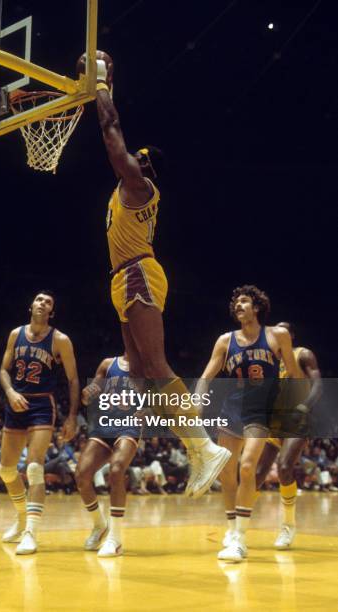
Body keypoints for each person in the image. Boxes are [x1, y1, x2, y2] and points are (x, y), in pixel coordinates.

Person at [91, 51, 230, 498]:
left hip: (137, 274)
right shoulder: (125, 192)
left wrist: (101, 87)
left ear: (147, 170)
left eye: (140, 157)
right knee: (139, 373)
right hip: (123, 278)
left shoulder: (139, 186)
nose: (133, 157)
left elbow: (112, 135)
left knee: (155, 364)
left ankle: (203, 446)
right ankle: (185, 444)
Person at [196, 285, 299, 562]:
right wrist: (198, 398)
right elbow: (207, 375)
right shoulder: (224, 341)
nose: (238, 306)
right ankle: (232, 530)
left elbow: (295, 373)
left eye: (244, 301)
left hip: (261, 412)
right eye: (236, 303)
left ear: (257, 306)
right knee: (226, 473)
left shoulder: (277, 336)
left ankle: (240, 538)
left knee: (247, 465)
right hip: (233, 409)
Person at [0, 290, 79, 555]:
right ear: (31, 305)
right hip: (16, 404)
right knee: (7, 471)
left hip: (42, 405)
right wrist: (10, 392)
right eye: (39, 299)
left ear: (51, 312)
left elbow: (73, 379)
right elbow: (3, 371)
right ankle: (21, 519)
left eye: (48, 302)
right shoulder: (14, 334)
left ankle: (32, 532)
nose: (43, 304)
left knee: (34, 467)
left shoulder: (60, 340)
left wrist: (71, 417)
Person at [255, 322, 322, 549]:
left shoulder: (302, 354)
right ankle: (238, 528)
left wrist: (304, 407)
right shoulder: (271, 361)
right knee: (256, 474)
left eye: (282, 330)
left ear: (291, 335)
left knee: (284, 467)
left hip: (298, 420)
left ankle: (288, 526)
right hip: (275, 421)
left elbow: (318, 385)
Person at [76, 352, 141, 557]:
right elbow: (93, 390)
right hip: (105, 424)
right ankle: (99, 525)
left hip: (129, 425)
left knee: (116, 469)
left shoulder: (149, 366)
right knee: (82, 474)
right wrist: (88, 393)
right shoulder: (108, 364)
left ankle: (115, 538)